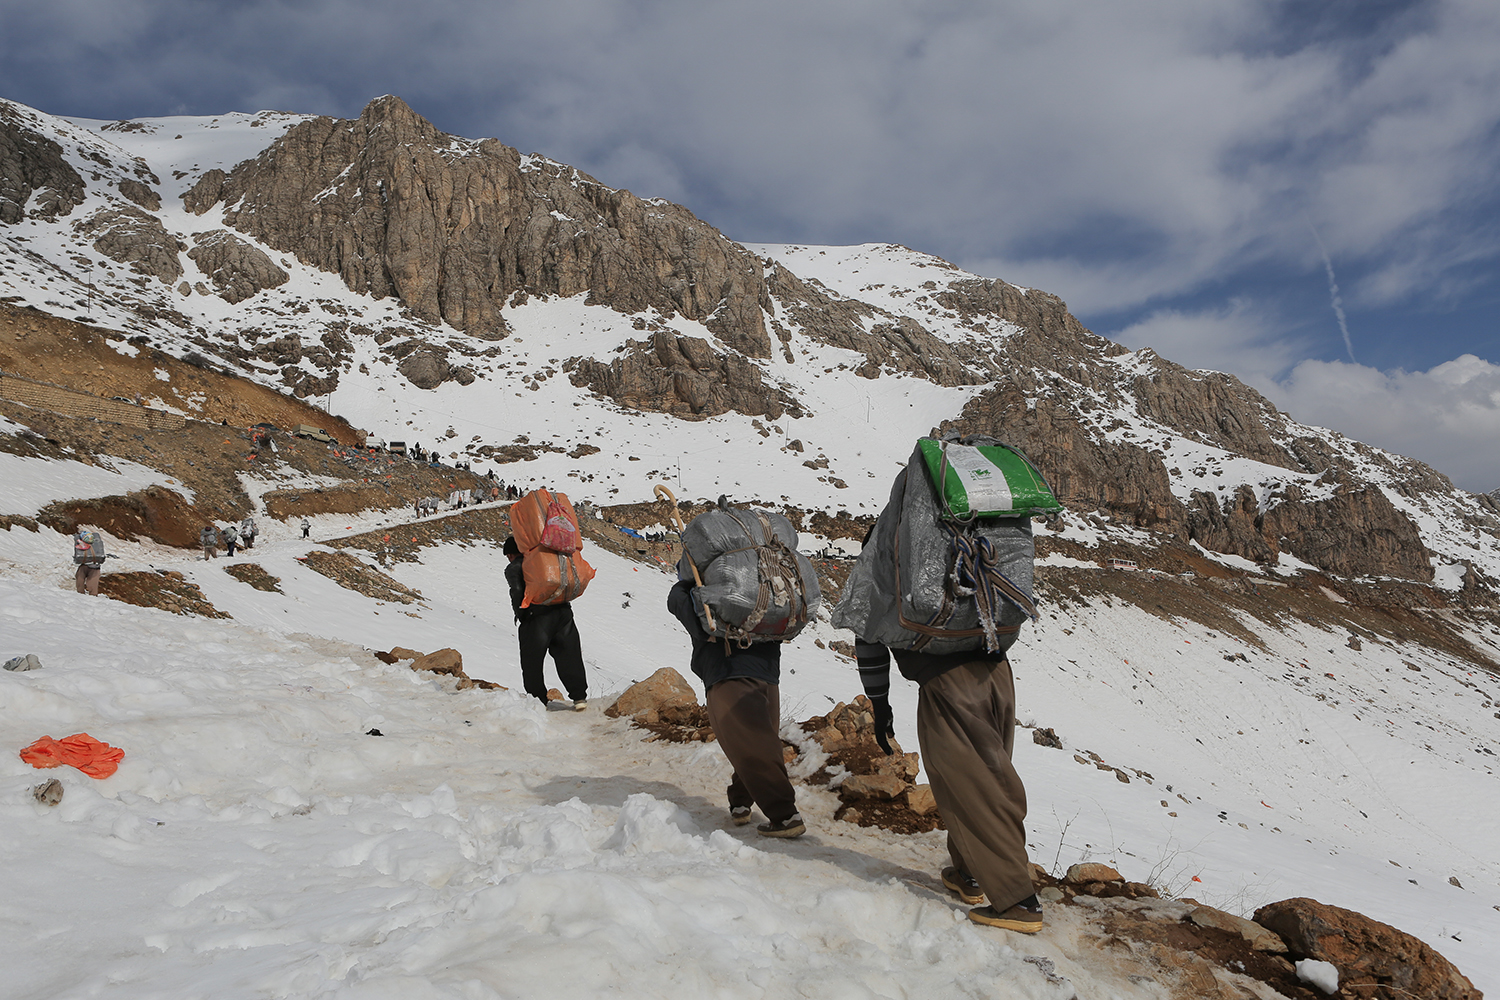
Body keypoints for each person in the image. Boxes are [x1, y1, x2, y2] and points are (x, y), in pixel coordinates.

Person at [854, 636, 1042, 932]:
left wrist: (879, 703)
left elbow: (868, 634)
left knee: (975, 786)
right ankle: (970, 874)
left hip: (946, 680)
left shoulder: (883, 585)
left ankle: (1018, 900)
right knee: (980, 778)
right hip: (997, 671)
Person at [667, 578, 805, 838]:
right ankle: (741, 801)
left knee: (750, 744)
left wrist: (682, 587)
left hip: (726, 669)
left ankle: (785, 815)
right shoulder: (758, 584)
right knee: (757, 738)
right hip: (766, 671)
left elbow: (694, 621)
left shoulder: (705, 588)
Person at [503, 536, 587, 711]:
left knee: (532, 660)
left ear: (512, 553)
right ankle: (579, 697)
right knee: (569, 655)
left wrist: (522, 614)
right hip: (563, 612)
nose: (508, 559)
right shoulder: (547, 560)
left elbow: (517, 591)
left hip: (537, 616)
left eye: (508, 555)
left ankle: (538, 700)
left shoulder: (516, 566)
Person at [72, 529, 106, 595]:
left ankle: (92, 602)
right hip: (84, 566)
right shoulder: (81, 544)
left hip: (95, 568)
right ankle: (80, 598)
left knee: (92, 587)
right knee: (79, 583)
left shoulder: (96, 545)